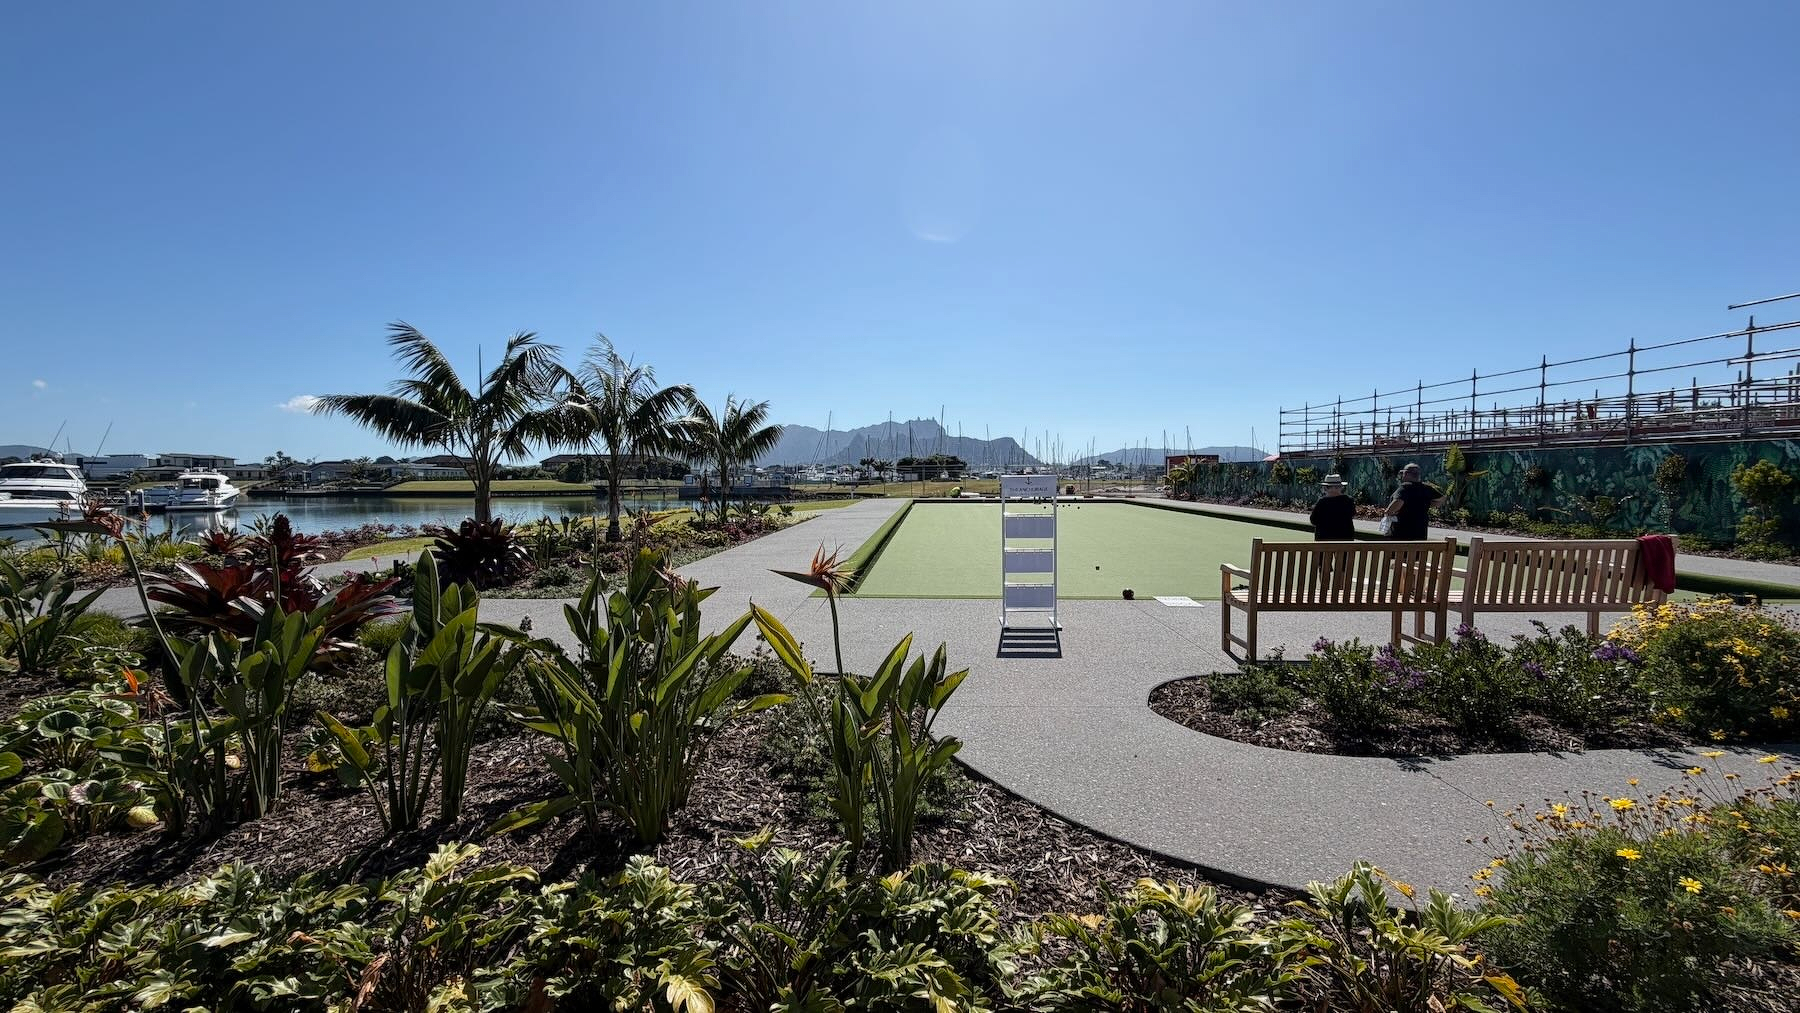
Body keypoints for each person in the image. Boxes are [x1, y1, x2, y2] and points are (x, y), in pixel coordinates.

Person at [1385, 462, 1443, 539]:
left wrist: (1388, 512)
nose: (1402, 476)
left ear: (1406, 474)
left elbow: (1398, 501)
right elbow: (1442, 499)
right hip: (1420, 535)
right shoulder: (1426, 488)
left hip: (1402, 535)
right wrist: (1428, 504)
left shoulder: (1404, 488)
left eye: (1403, 473)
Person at [1309, 473, 1356, 540]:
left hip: (1324, 545)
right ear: (1341, 487)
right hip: (1345, 544)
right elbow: (1353, 514)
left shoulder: (1322, 502)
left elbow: (1313, 520)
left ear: (1326, 488)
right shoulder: (1349, 501)